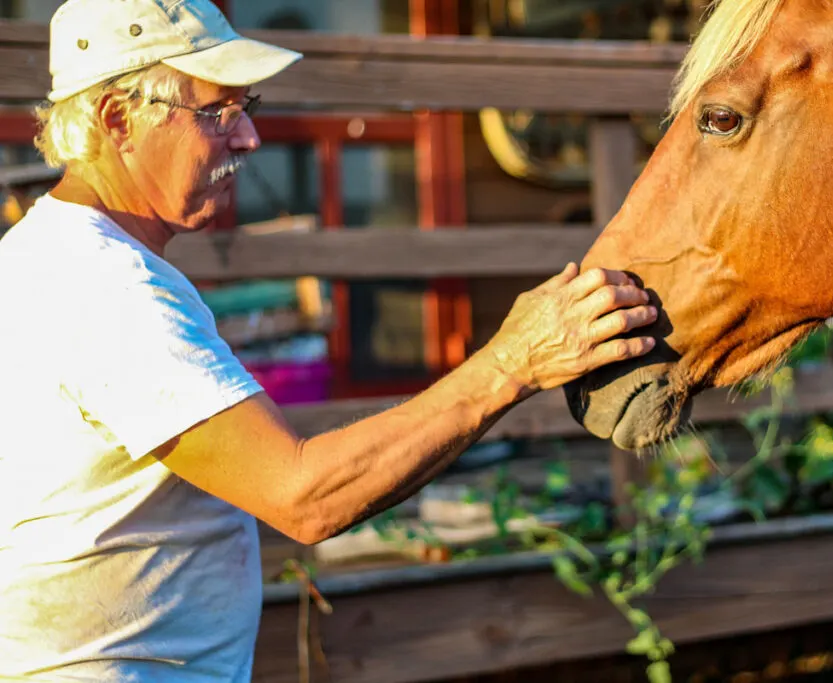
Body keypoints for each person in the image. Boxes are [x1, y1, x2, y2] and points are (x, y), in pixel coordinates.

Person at [0, 0, 659, 680]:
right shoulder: (109, 287)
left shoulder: (43, 255)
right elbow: (303, 496)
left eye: (245, 105)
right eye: (217, 111)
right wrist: (512, 362)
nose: (250, 136)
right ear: (118, 119)